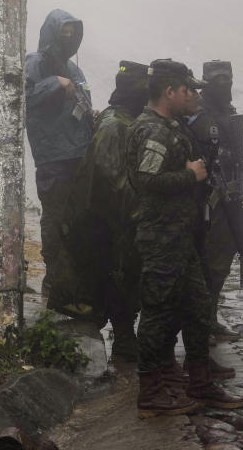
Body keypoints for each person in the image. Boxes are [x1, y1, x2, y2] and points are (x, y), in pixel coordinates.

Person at [127, 59, 243, 417]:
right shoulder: (154, 131)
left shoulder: (170, 126)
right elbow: (145, 182)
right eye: (188, 89)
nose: (194, 95)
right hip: (161, 237)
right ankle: (151, 391)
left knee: (197, 309)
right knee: (158, 314)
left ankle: (199, 382)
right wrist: (189, 176)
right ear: (170, 92)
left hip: (181, 236)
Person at [73, 60, 148, 361]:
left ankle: (126, 338)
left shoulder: (124, 121)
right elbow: (112, 179)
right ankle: (125, 340)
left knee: (127, 279)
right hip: (113, 223)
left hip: (119, 221)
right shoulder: (115, 125)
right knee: (120, 279)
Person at [25, 9, 94, 310]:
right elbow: (22, 96)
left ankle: (72, 283)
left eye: (73, 33)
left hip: (79, 156)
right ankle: (54, 280)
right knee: (54, 221)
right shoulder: (35, 63)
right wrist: (56, 82)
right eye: (63, 33)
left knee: (77, 221)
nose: (68, 39)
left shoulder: (75, 70)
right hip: (53, 159)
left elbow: (85, 105)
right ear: (52, 33)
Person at [184, 60, 243, 348]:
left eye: (228, 78)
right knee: (208, 267)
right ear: (206, 81)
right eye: (217, 79)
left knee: (221, 263)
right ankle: (200, 325)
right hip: (208, 205)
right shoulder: (196, 118)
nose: (224, 84)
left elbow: (238, 160)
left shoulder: (230, 114)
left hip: (232, 201)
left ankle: (207, 319)